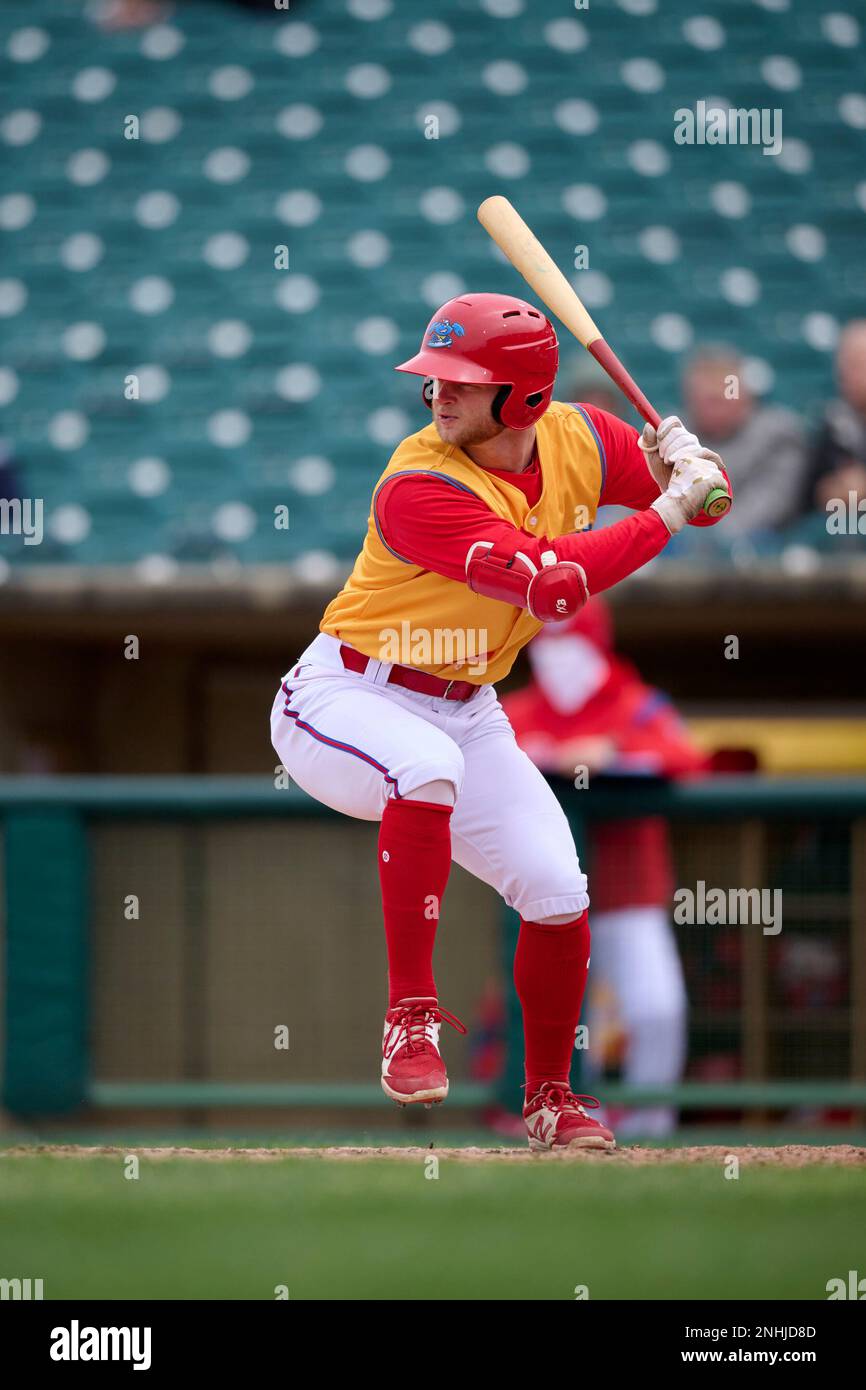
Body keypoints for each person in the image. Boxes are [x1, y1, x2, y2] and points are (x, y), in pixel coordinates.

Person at [269, 292, 731, 1152]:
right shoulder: (418, 483)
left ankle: (552, 1100)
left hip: (468, 704)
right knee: (424, 770)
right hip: (347, 693)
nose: (437, 395)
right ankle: (409, 1018)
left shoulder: (582, 437)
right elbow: (553, 587)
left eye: (460, 381)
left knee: (558, 890)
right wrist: (669, 511)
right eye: (433, 379)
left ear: (523, 399)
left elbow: (713, 501)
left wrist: (690, 464)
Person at [503, 598, 707, 1137]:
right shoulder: (519, 711)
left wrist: (612, 752)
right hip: (545, 897)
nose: (557, 656)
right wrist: (551, 752)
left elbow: (687, 759)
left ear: (597, 641)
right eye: (546, 643)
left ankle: (649, 1127)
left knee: (656, 1010)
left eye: (570, 642)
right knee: (562, 1022)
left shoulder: (635, 704)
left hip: (629, 893)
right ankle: (569, 1121)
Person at [681, 346, 806, 536]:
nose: (715, 409)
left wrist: (705, 537)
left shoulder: (777, 436)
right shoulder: (672, 437)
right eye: (708, 400)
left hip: (762, 554)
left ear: (746, 397)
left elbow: (768, 504)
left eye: (721, 398)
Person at [801, 320, 866, 518]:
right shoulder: (833, 422)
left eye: (858, 364)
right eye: (845, 364)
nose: (847, 373)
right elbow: (808, 494)